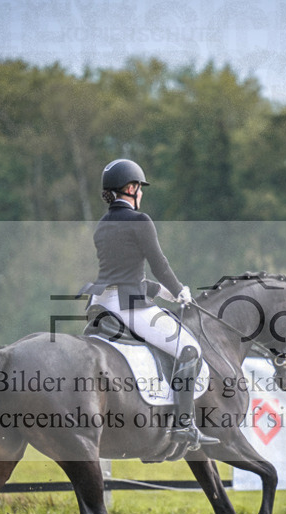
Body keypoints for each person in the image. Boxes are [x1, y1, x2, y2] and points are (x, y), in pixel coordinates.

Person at [80, 158, 219, 450]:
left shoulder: (102, 225)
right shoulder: (140, 221)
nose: (141, 193)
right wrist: (179, 289)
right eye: (139, 187)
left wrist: (160, 292)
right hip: (129, 305)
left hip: (101, 304)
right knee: (189, 350)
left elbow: (121, 270)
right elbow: (159, 264)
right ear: (130, 188)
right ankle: (183, 425)